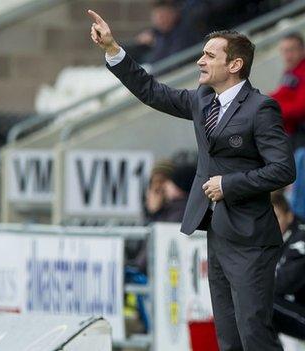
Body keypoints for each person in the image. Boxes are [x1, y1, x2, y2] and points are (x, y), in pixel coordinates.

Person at [88, 10, 296, 351]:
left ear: (235, 65)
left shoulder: (261, 108)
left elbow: (284, 170)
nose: (200, 60)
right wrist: (113, 49)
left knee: (254, 336)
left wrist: (228, 185)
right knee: (228, 339)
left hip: (252, 240)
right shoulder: (202, 100)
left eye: (209, 55)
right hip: (218, 233)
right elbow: (152, 91)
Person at [271, 192, 305, 340]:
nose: (271, 225)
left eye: (276, 218)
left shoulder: (301, 237)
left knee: (260, 302)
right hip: (295, 308)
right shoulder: (276, 241)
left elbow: (285, 283)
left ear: (289, 216)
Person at [270, 32, 305, 149]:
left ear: (302, 50)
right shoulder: (290, 72)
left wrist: (273, 108)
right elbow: (279, 95)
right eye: (284, 51)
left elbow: (301, 108)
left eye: (291, 50)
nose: (288, 56)